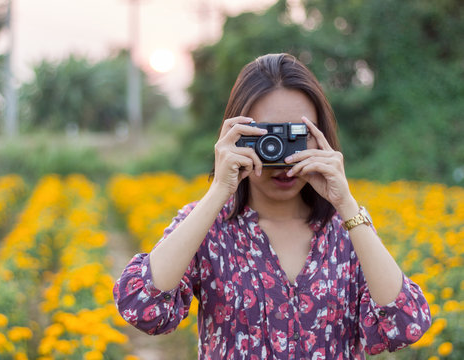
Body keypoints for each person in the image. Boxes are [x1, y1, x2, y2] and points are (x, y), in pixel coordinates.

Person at [113, 53, 431, 359]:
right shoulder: (208, 225)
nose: (281, 156)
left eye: (296, 136)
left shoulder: (346, 228)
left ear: (323, 137)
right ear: (236, 135)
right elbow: (142, 308)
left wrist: (346, 203)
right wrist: (218, 192)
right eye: (266, 136)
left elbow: (404, 326)